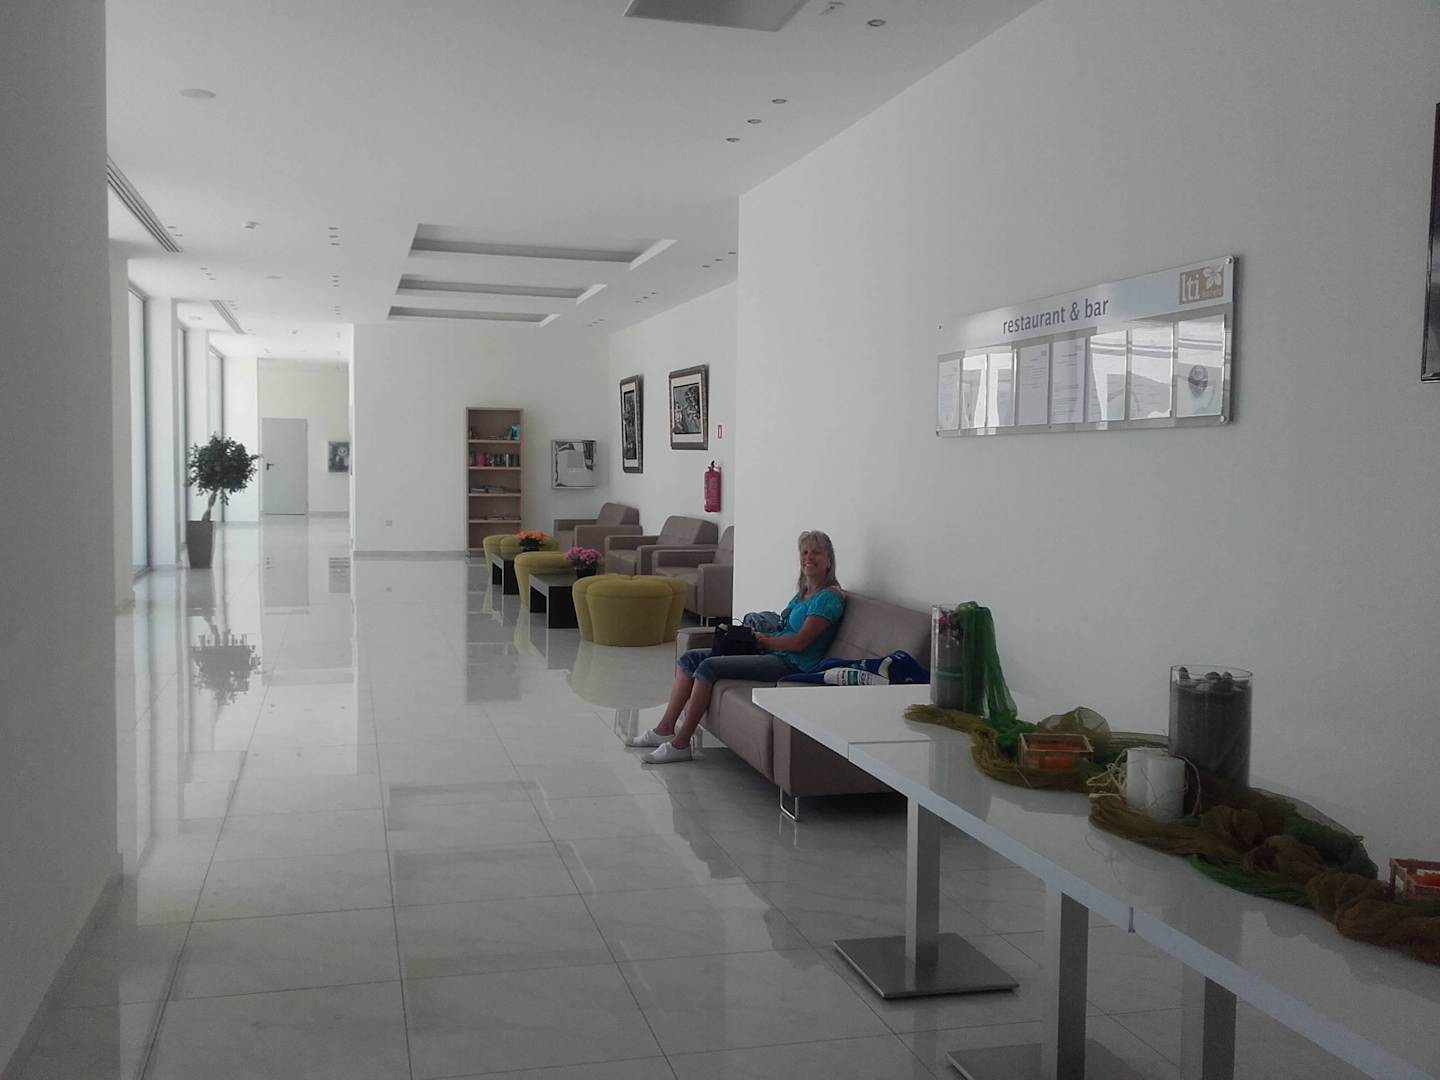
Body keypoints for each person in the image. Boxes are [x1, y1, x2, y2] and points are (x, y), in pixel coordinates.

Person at [628, 529, 845, 763]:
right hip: (774, 650)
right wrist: (761, 636)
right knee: (690, 659)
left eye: (816, 553)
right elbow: (785, 629)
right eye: (804, 552)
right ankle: (664, 729)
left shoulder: (828, 598)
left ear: (829, 560)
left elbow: (800, 642)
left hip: (792, 664)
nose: (808, 557)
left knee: (708, 667)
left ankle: (681, 744)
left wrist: (765, 641)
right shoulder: (804, 594)